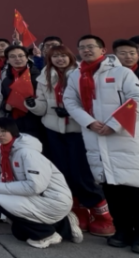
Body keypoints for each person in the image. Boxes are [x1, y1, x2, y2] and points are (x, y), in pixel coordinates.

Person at [27, 44, 111, 236]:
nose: (60, 59)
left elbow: (90, 102)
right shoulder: (44, 77)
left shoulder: (81, 73)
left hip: (77, 130)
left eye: (63, 56)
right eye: (55, 56)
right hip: (53, 130)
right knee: (63, 172)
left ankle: (102, 214)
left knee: (82, 173)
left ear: (70, 57)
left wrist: (72, 113)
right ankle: (77, 211)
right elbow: (42, 108)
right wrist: (32, 104)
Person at [64, 35, 139, 249]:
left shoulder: (121, 72)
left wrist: (114, 124)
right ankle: (122, 230)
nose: (86, 50)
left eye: (91, 47)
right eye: (82, 47)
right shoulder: (76, 75)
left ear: (102, 50)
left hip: (123, 136)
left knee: (132, 188)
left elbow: (136, 98)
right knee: (110, 189)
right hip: (95, 137)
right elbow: (70, 101)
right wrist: (89, 122)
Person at [0, 118, 82, 249]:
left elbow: (35, 186)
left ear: (13, 131)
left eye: (3, 131)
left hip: (52, 199)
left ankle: (46, 234)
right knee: (19, 232)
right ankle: (65, 224)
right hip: (39, 198)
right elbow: (8, 177)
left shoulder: (28, 153)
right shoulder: (8, 151)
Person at [0, 46, 44, 142]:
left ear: (27, 58)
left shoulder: (37, 77)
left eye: (20, 56)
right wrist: (6, 106)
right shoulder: (6, 81)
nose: (17, 59)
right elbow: (3, 100)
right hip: (14, 122)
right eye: (12, 56)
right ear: (8, 60)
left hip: (36, 122)